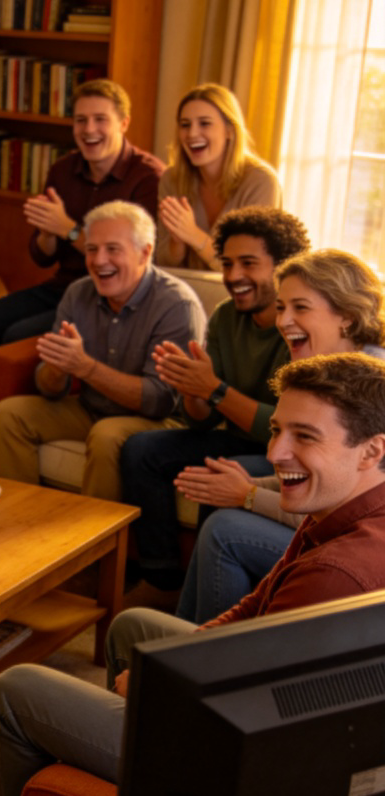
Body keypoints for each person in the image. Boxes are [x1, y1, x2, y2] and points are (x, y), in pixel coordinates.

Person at [0, 351, 385, 796]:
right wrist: (164, 670)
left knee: (16, 689)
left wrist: (157, 693)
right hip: (247, 712)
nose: (275, 454)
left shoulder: (339, 573)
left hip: (235, 769)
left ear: (372, 449)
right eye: (277, 430)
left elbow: (248, 720)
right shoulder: (343, 511)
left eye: (305, 436)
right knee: (133, 627)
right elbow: (253, 608)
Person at [0, 79, 165, 469]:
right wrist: (49, 235)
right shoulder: (64, 169)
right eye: (81, 120)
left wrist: (68, 229)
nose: (89, 130)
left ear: (124, 123)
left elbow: (138, 261)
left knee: (16, 337)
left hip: (110, 297)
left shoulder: (148, 176)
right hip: (65, 286)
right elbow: (42, 255)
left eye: (100, 119)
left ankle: (25, 427)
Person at [174, 249, 385, 622]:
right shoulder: (317, 366)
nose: (283, 320)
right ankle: (188, 641)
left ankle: (194, 657)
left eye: (300, 307)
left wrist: (249, 495)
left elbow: (345, 501)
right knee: (225, 473)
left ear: (348, 319)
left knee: (225, 529)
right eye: (281, 306)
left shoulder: (372, 385)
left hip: (360, 546)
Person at [119, 207, 310, 591]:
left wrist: (215, 390)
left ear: (283, 266)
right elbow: (202, 421)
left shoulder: (298, 325)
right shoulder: (225, 316)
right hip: (235, 435)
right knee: (140, 449)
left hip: (282, 451)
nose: (233, 276)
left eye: (248, 264)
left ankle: (211, 590)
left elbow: (284, 426)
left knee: (223, 470)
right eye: (227, 264)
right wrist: (193, 390)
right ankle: (161, 575)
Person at [0, 200, 206, 502]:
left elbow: (158, 401)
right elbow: (49, 389)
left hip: (159, 421)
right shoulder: (78, 293)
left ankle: (94, 542)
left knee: (106, 435)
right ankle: (20, 517)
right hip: (92, 408)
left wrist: (84, 367)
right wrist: (58, 369)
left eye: (113, 249)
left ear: (145, 252)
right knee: (10, 414)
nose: (99, 260)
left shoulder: (175, 305)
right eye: (92, 249)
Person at [155, 83, 280, 271]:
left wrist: (194, 235)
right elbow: (161, 261)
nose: (192, 134)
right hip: (185, 289)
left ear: (230, 130)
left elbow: (250, 268)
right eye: (185, 125)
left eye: (204, 123)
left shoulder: (261, 182)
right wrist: (177, 243)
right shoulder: (171, 179)